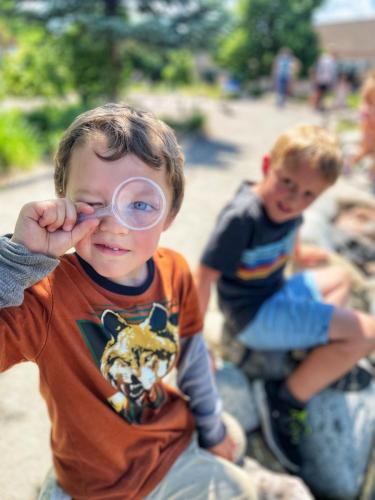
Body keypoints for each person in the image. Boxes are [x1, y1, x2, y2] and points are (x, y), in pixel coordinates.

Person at [0, 103, 256, 499]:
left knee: (239, 481)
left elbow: (192, 359)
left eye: (140, 203)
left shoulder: (176, 271)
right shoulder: (45, 293)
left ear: (169, 214)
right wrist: (17, 261)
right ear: (62, 201)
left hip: (171, 448)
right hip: (95, 484)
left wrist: (212, 429)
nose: (115, 223)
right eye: (92, 202)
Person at [195, 124, 375, 473]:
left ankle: (310, 353)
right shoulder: (242, 218)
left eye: (308, 194)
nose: (293, 200)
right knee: (367, 332)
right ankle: (288, 398)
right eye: (287, 183)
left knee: (338, 277)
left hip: (275, 294)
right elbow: (203, 275)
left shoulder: (290, 209)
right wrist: (195, 339)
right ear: (267, 165)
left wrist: (299, 254)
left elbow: (292, 227)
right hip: (254, 317)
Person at [350, 70, 375, 183]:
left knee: (369, 150)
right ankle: (349, 164)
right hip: (370, 122)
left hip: (368, 121)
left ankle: (371, 174)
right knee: (367, 150)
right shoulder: (372, 85)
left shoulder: (369, 84)